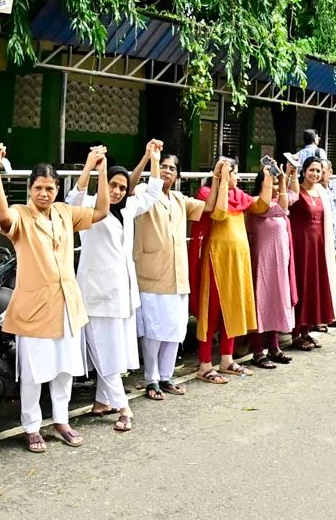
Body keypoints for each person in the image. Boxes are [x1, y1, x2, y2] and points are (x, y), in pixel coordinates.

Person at [0, 145, 109, 454]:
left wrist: (101, 171)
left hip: (67, 305)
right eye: (39, 188)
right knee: (33, 373)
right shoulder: (21, 215)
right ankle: (31, 426)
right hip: (33, 309)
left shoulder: (65, 213)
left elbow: (102, 210)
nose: (44, 193)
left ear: (57, 190)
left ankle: (62, 421)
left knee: (65, 369)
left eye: (50, 188)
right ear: (30, 190)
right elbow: (1, 214)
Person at [73, 141, 165, 432]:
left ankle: (103, 401)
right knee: (102, 349)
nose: (116, 191)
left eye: (122, 188)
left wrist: (152, 157)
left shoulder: (128, 209)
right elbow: (73, 200)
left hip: (123, 294)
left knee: (112, 350)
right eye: (112, 185)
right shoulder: (88, 208)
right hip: (96, 292)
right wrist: (90, 167)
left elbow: (152, 192)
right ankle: (123, 406)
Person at [132, 150, 207, 400]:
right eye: (163, 166)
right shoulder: (144, 192)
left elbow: (211, 208)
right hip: (152, 274)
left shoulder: (178, 199)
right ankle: (151, 379)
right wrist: (148, 159)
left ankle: (166, 377)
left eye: (171, 168)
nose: (166, 171)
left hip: (178, 277)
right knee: (153, 332)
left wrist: (220, 178)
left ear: (178, 175)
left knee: (174, 330)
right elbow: (130, 186)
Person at [189, 158, 265, 383]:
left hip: (236, 263)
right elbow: (220, 213)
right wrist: (220, 181)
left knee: (231, 309)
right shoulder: (205, 193)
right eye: (234, 173)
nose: (238, 178)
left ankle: (227, 360)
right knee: (211, 311)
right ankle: (204, 364)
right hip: (215, 261)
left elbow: (261, 206)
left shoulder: (239, 196)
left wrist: (270, 179)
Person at [246, 158, 298, 364]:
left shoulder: (278, 202)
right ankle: (258, 351)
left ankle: (274, 347)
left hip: (280, 262)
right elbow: (283, 207)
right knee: (260, 303)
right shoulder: (256, 204)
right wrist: (280, 180)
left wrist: (289, 175)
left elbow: (293, 196)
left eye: (277, 184)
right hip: (261, 263)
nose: (277, 188)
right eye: (272, 184)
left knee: (277, 301)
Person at [292, 155, 336, 347]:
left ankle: (306, 330)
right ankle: (295, 332)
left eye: (318, 171)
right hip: (300, 247)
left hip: (319, 246)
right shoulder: (296, 189)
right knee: (300, 285)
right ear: (304, 171)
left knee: (313, 286)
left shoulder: (322, 191)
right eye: (311, 170)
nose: (315, 173)